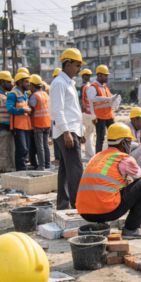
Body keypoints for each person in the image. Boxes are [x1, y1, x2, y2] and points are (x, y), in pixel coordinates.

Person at [77, 123, 141, 239]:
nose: (130, 145)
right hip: (107, 211)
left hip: (84, 212)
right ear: (123, 143)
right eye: (128, 142)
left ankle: (100, 223)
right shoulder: (124, 158)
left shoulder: (96, 157)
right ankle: (131, 229)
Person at [51, 48, 85, 210]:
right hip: (67, 131)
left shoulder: (68, 83)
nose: (80, 69)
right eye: (78, 65)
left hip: (72, 130)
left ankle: (63, 205)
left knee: (65, 169)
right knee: (76, 168)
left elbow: (73, 110)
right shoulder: (59, 83)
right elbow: (58, 110)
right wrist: (66, 132)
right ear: (68, 64)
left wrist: (81, 131)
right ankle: (78, 203)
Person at [83, 65, 115, 157]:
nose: (107, 77)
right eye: (105, 75)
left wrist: (114, 99)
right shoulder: (93, 87)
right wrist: (108, 99)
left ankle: (110, 154)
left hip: (109, 116)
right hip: (100, 117)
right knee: (100, 138)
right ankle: (98, 157)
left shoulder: (105, 87)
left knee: (114, 136)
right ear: (99, 75)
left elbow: (109, 99)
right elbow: (93, 99)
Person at [7, 71, 34, 171]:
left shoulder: (25, 94)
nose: (28, 84)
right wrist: (24, 110)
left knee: (25, 149)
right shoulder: (13, 94)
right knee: (21, 149)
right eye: (26, 82)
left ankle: (22, 168)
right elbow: (9, 109)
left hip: (26, 126)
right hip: (18, 126)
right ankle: (21, 170)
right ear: (20, 83)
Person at [0, 71, 16, 173]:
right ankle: (3, 170)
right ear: (2, 82)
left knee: (10, 149)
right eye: (9, 82)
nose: (11, 84)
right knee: (2, 150)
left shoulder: (8, 94)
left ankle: (10, 169)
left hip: (10, 126)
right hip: (1, 126)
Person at [26, 74, 51, 170]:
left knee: (40, 147)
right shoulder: (45, 94)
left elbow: (30, 107)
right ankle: (47, 164)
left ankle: (42, 165)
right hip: (47, 123)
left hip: (38, 124)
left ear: (32, 85)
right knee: (46, 146)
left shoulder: (34, 96)